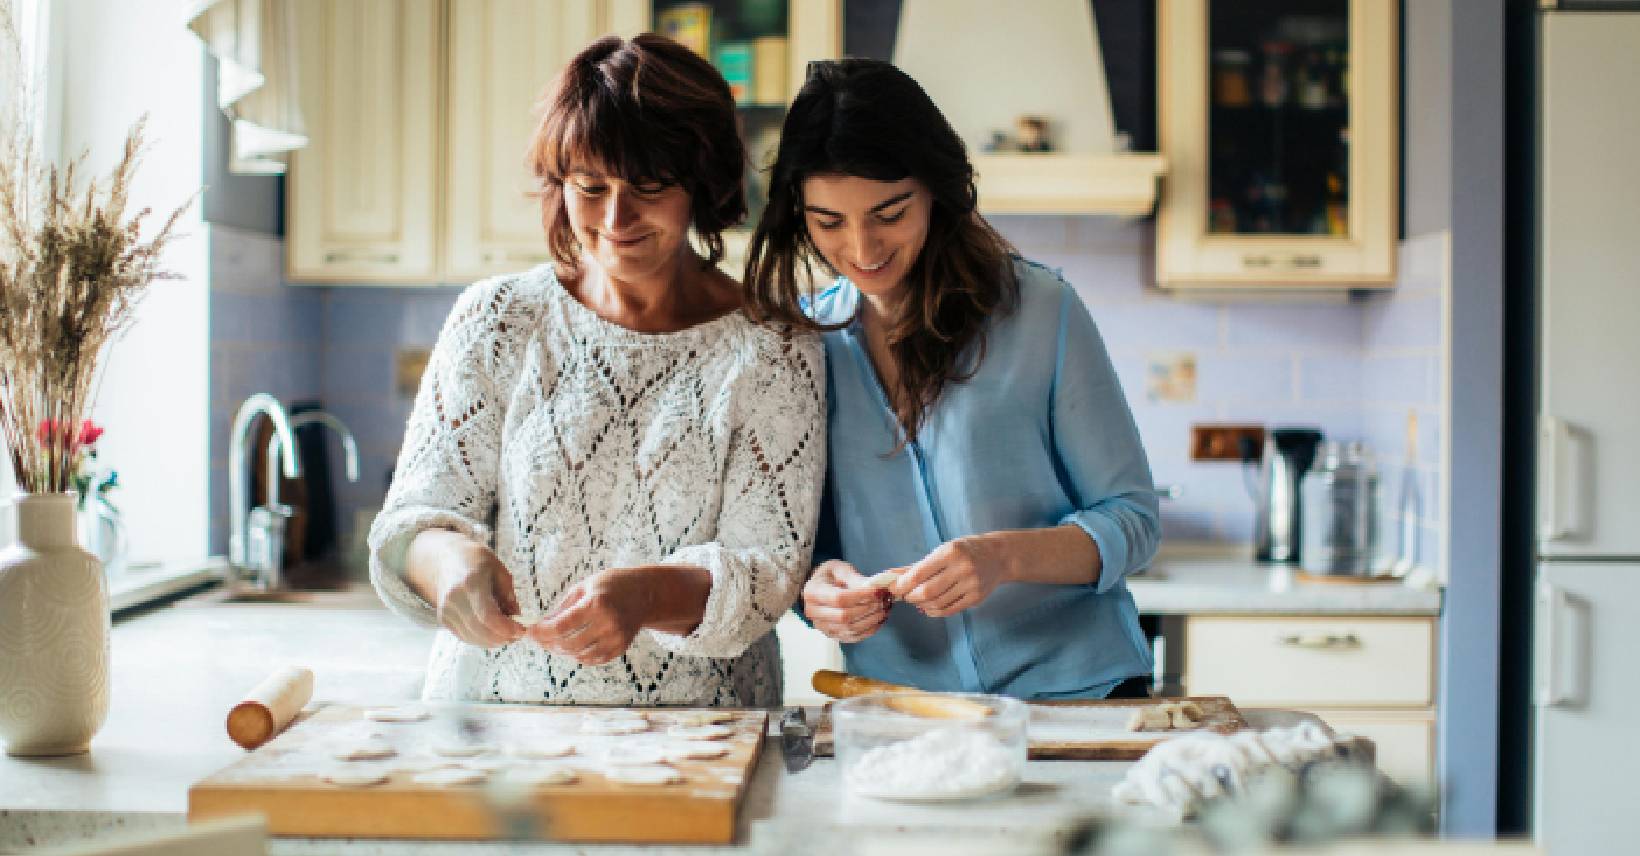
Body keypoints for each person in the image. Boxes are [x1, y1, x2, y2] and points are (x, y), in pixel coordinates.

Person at [368, 35, 825, 707]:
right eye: (591, 187)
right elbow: (412, 519)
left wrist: (644, 597)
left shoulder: (774, 348)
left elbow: (767, 573)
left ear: (701, 184)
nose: (615, 218)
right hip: (494, 726)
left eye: (649, 187)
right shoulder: (497, 319)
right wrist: (448, 563)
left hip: (699, 737)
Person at [744, 59, 1160, 700]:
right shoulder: (806, 346)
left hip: (1080, 698)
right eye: (829, 221)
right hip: (904, 712)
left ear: (936, 191)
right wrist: (818, 591)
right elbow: (810, 549)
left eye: (889, 212)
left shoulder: (1041, 311)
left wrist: (1003, 557)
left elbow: (1132, 521)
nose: (862, 247)